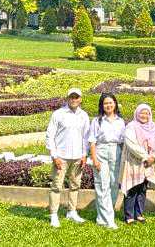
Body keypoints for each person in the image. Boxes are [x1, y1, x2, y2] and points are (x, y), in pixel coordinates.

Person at [45, 87, 90, 228]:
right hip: (61, 157)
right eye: (72, 97)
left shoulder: (84, 116)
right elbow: (50, 135)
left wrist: (84, 154)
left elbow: (86, 137)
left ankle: (72, 211)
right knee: (57, 186)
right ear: (67, 98)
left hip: (78, 157)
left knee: (75, 185)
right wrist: (54, 155)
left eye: (77, 97)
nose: (74, 99)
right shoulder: (58, 114)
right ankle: (53, 214)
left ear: (80, 99)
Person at [88, 93, 125, 230]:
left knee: (114, 185)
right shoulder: (97, 121)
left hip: (116, 152)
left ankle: (101, 218)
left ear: (115, 104)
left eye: (111, 103)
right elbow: (92, 141)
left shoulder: (120, 121)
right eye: (105, 103)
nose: (108, 105)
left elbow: (123, 142)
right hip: (101, 151)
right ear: (102, 106)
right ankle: (109, 219)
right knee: (102, 185)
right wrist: (94, 159)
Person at [119, 103, 155, 225]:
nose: (144, 115)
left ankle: (139, 213)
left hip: (148, 163)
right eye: (142, 112)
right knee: (132, 187)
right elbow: (131, 144)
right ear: (137, 113)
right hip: (134, 162)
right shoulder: (131, 126)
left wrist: (154, 156)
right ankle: (129, 215)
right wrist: (146, 156)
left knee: (142, 188)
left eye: (147, 113)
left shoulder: (153, 126)